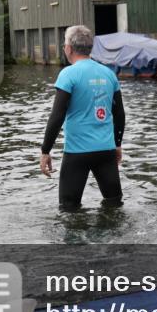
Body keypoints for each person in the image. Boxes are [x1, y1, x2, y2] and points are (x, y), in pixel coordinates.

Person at [40, 25, 126, 210]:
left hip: (77, 153)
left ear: (69, 48)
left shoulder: (68, 74)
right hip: (106, 151)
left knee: (69, 209)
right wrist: (117, 144)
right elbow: (119, 114)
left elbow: (57, 116)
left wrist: (45, 150)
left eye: (64, 45)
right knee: (114, 205)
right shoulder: (109, 74)